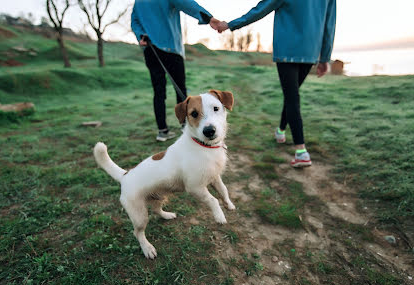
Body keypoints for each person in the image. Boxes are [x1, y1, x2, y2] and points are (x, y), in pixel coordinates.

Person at [216, 0, 336, 167]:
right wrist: (324, 58)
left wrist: (229, 24)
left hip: (287, 50)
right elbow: (329, 24)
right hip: (310, 52)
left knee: (292, 97)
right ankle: (280, 131)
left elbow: (261, 9)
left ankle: (301, 151)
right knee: (291, 95)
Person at [131, 0, 220, 141]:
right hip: (171, 49)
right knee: (180, 89)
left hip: (150, 49)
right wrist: (208, 18)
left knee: (158, 92)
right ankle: (186, 128)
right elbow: (186, 4)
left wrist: (140, 35)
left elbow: (134, 20)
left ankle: (162, 131)